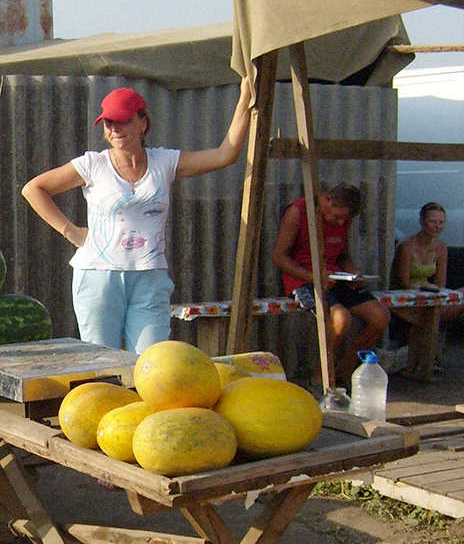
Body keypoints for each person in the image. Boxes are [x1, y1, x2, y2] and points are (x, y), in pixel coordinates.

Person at [21, 79, 252, 353]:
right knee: (100, 365)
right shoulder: (92, 164)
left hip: (150, 277)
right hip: (98, 276)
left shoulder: (164, 162)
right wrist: (71, 231)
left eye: (122, 121)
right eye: (108, 123)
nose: (115, 130)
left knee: (150, 363)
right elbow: (33, 189)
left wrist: (244, 101)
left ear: (143, 123)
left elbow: (225, 155)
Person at [271, 183, 390, 385]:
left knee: (380, 316)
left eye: (345, 219)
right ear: (326, 199)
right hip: (303, 279)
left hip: (335, 277)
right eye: (336, 217)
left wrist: (353, 272)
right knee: (341, 319)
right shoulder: (298, 212)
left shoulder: (344, 219)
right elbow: (279, 257)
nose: (340, 222)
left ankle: (346, 371)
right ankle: (320, 378)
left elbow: (343, 255)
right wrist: (314, 277)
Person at [390, 201, 462, 379]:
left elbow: (440, 283)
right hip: (407, 297)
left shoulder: (441, 247)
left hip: (430, 295)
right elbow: (402, 281)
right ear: (422, 221)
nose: (437, 227)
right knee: (434, 317)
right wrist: (423, 287)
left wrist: (432, 290)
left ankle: (430, 355)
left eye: (441, 223)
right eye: (433, 222)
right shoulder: (406, 246)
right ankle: (427, 358)